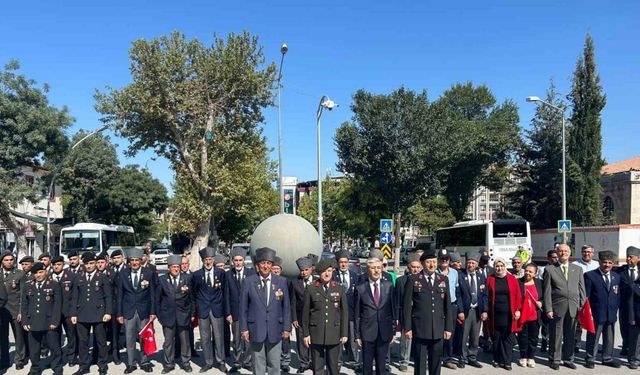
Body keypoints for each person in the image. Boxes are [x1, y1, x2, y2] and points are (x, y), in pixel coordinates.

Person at [239, 247, 292, 375]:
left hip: (275, 328)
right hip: (256, 329)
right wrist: (244, 329)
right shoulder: (249, 282)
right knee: (258, 365)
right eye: (263, 263)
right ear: (257, 265)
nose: (265, 266)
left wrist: (286, 328)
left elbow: (286, 307)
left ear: (272, 265)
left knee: (274, 364)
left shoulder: (281, 281)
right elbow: (243, 308)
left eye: (268, 263)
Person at [403, 248, 452, 375]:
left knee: (436, 363)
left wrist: (448, 328)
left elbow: (447, 306)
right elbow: (407, 306)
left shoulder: (443, 279)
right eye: (429, 262)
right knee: (420, 364)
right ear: (423, 263)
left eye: (434, 262)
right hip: (420, 329)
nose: (432, 265)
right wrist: (407, 328)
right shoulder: (413, 279)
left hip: (438, 328)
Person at [543, 243, 586, 370]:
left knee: (570, 334)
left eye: (566, 251)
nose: (563, 253)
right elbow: (546, 291)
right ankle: (554, 359)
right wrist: (548, 309)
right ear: (557, 252)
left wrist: (582, 307)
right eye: (560, 251)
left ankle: (568, 359)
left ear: (570, 253)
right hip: (557, 308)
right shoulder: (550, 269)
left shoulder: (577, 269)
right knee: (556, 334)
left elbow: (582, 290)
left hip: (573, 307)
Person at [303, 259, 348, 375]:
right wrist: (306, 334)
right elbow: (305, 313)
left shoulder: (339, 288)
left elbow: (344, 313)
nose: (327, 274)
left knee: (333, 367)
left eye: (329, 271)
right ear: (319, 273)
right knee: (317, 368)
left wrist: (344, 333)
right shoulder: (311, 288)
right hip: (316, 333)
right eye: (324, 272)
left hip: (334, 333)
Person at [116, 248, 157, 374]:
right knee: (129, 338)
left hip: (143, 311)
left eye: (137, 260)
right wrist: (119, 313)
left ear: (141, 260)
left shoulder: (148, 273)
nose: (134, 263)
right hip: (128, 311)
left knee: (144, 338)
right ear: (129, 262)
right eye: (132, 260)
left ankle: (144, 362)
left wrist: (153, 312)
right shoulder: (123, 273)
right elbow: (120, 296)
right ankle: (131, 363)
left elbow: (152, 295)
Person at [72, 252, 112, 375]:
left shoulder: (102, 276)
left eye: (91, 263)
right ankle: (84, 366)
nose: (89, 266)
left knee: (101, 341)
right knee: (83, 342)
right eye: (87, 264)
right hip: (82, 314)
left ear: (95, 263)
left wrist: (108, 312)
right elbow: (74, 297)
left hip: (99, 314)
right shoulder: (79, 277)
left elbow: (108, 296)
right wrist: (73, 314)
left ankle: (102, 365)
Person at [354, 257, 396, 375]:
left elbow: (392, 310)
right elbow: (357, 314)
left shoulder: (388, 286)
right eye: (373, 268)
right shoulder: (360, 288)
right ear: (368, 270)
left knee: (381, 366)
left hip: (384, 331)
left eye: (379, 267)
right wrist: (357, 335)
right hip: (367, 332)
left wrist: (393, 332)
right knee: (367, 366)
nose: (376, 271)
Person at [20, 262, 62, 375]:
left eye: (41, 272)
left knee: (54, 347)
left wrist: (55, 321)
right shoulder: (28, 285)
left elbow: (58, 305)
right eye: (36, 273)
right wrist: (25, 321)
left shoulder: (53, 284)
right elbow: (24, 305)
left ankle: (57, 367)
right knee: (34, 348)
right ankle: (35, 368)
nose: (38, 275)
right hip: (33, 321)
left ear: (45, 272)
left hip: (49, 322)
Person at [192, 247, 227, 373]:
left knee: (218, 336)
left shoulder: (221, 273)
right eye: (206, 259)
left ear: (213, 260)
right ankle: (208, 362)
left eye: (210, 259)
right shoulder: (196, 275)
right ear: (203, 261)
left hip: (217, 309)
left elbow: (224, 292)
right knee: (205, 337)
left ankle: (221, 361)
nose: (208, 262)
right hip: (203, 310)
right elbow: (194, 292)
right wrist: (197, 308)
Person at [584, 250, 621, 368]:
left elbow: (617, 295)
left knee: (609, 337)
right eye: (605, 262)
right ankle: (590, 358)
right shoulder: (590, 275)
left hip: (611, 313)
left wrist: (615, 309)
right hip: (596, 313)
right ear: (599, 262)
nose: (607, 265)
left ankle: (607, 358)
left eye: (610, 262)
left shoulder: (616, 276)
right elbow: (586, 297)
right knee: (593, 337)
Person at [157, 254, 194, 373]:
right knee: (168, 341)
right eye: (173, 267)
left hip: (183, 315)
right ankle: (169, 363)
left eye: (177, 266)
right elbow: (157, 299)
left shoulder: (187, 278)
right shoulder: (162, 279)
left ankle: (185, 362)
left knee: (185, 340)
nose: (176, 269)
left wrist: (192, 313)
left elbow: (192, 298)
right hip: (167, 315)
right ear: (169, 268)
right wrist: (159, 315)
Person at [486, 258, 522, 370]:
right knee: (496, 337)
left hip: (509, 313)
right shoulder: (490, 279)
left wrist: (518, 310)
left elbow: (518, 296)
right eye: (497, 265)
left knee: (507, 337)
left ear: (505, 266)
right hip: (495, 313)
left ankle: (507, 361)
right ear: (494, 267)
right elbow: (486, 296)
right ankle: (497, 359)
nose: (499, 268)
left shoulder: (512, 279)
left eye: (501, 265)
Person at [225, 248, 256, 373]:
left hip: (249, 312)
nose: (238, 263)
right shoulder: (228, 274)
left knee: (248, 338)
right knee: (236, 339)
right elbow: (226, 295)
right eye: (236, 260)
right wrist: (228, 313)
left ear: (244, 261)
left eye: (240, 260)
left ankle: (248, 361)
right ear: (232, 261)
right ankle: (237, 361)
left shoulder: (251, 273)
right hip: (235, 312)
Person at [457, 252, 487, 368]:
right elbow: (458, 294)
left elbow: (485, 295)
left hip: (477, 310)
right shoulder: (461, 275)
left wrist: (484, 310)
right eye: (469, 262)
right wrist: (460, 311)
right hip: (465, 310)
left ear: (477, 264)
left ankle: (472, 357)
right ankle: (462, 358)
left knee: (475, 336)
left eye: (473, 263)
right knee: (463, 336)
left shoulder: (481, 276)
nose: (470, 265)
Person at [332, 250, 359, 370]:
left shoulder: (354, 276)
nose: (343, 264)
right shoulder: (332, 276)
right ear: (337, 263)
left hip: (352, 313)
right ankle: (337, 362)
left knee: (352, 338)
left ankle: (354, 361)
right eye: (341, 262)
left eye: (345, 262)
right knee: (338, 338)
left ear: (348, 263)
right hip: (337, 313)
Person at [50, 255, 79, 366]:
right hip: (53, 313)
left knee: (71, 335)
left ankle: (71, 356)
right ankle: (57, 358)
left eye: (59, 265)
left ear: (63, 265)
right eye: (54, 265)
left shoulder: (72, 276)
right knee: (54, 337)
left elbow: (75, 296)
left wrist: (73, 312)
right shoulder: (48, 277)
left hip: (68, 312)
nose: (56, 267)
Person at [0, 251, 27, 370]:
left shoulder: (20, 274)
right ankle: (4, 360)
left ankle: (19, 359)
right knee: (2, 337)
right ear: (1, 261)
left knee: (19, 336)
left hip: (15, 310)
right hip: (1, 311)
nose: (9, 262)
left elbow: (23, 294)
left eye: (11, 260)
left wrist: (21, 311)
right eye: (6, 260)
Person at [396, 253, 422, 372]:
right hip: (406, 313)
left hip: (421, 314)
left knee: (422, 339)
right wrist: (397, 317)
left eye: (417, 267)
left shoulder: (423, 280)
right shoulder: (401, 281)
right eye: (413, 266)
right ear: (408, 267)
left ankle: (420, 360)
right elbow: (397, 300)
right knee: (406, 339)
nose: (415, 269)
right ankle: (404, 361)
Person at [435, 249, 460, 370]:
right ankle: (436, 358)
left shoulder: (455, 272)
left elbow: (457, 291)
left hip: (452, 305)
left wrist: (459, 309)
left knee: (450, 333)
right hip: (438, 306)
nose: (444, 261)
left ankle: (447, 359)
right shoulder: (434, 272)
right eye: (442, 259)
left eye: (446, 259)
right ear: (438, 260)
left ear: (449, 261)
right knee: (437, 333)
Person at [290, 256, 315, 373]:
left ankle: (313, 361)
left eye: (306, 270)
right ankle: (304, 363)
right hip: (300, 317)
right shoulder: (295, 283)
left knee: (314, 340)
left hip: (315, 317)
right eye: (302, 270)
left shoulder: (317, 282)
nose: (304, 273)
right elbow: (293, 301)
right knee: (301, 340)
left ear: (311, 269)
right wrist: (294, 317)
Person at [517, 263, 543, 368]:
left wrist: (541, 302)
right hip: (523, 315)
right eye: (526, 270)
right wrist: (517, 310)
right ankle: (523, 356)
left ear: (535, 273)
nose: (527, 273)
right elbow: (515, 298)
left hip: (535, 316)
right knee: (523, 337)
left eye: (530, 271)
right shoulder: (519, 282)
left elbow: (544, 296)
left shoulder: (540, 283)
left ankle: (531, 357)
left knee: (533, 338)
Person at [617, 245, 639, 360]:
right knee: (624, 326)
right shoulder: (620, 270)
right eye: (627, 257)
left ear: (638, 258)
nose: (628, 259)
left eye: (631, 257)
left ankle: (634, 349)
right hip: (624, 304)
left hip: (638, 305)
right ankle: (626, 346)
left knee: (636, 329)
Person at [271, 256, 290, 372]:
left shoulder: (285, 282)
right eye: (274, 268)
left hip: (283, 316)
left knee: (285, 341)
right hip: (271, 317)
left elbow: (289, 302)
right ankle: (275, 361)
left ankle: (285, 361)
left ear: (281, 270)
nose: (276, 270)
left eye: (278, 269)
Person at [629, 246, 640, 369]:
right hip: (637, 316)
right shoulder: (635, 285)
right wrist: (631, 317)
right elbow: (630, 302)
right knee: (636, 339)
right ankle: (635, 359)